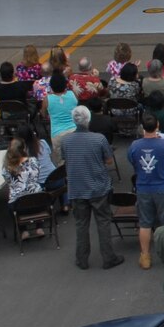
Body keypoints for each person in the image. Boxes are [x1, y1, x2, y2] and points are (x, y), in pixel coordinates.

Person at [61, 110, 123, 269]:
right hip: (98, 187)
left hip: (77, 188)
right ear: (88, 120)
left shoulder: (66, 140)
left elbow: (64, 158)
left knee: (81, 225)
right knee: (103, 222)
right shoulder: (99, 139)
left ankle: (82, 259)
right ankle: (108, 257)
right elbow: (109, 161)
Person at [128, 112, 164, 269]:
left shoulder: (134, 146)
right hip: (163, 187)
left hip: (143, 187)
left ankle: (145, 256)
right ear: (157, 125)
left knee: (145, 223)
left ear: (143, 127)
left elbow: (132, 161)